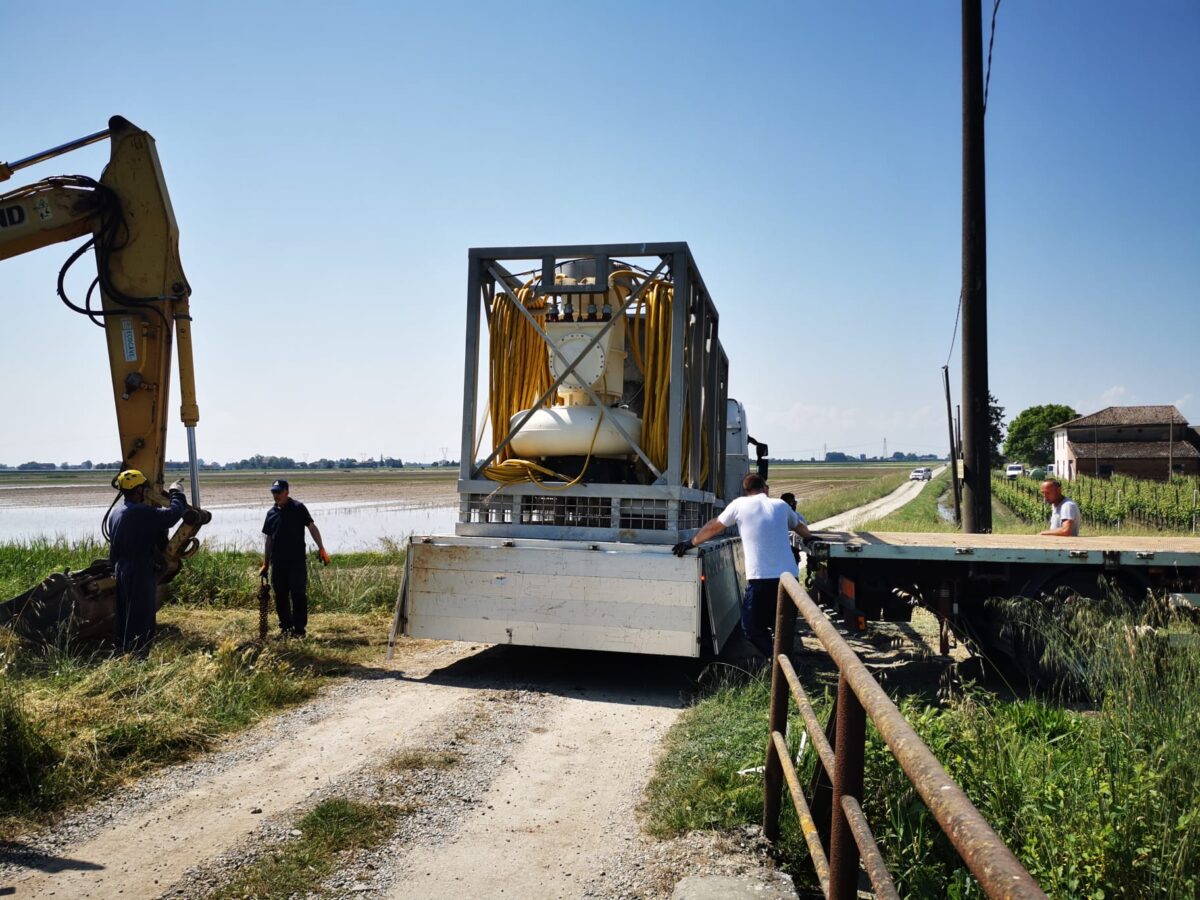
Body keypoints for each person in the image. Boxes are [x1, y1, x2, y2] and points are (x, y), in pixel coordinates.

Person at [673, 473, 813, 658]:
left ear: (746, 491)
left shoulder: (739, 504)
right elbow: (799, 526)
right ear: (765, 488)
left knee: (751, 628)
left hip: (761, 579)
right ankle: (785, 666)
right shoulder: (781, 505)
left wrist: (691, 543)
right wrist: (810, 538)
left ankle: (777, 662)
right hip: (789, 580)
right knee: (782, 628)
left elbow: (715, 526)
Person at [107, 469, 188, 657]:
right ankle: (137, 657)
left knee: (125, 612)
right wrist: (177, 492)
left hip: (122, 568)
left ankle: (120, 652)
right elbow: (173, 514)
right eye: (144, 488)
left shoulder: (116, 513)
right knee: (141, 615)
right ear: (140, 490)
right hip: (139, 568)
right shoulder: (141, 512)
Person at [260, 479, 329, 637]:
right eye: (273, 492)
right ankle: (286, 628)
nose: (275, 495)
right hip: (278, 563)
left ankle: (299, 630)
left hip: (296, 561)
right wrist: (266, 562)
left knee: (298, 594)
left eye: (278, 492)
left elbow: (311, 527)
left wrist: (321, 548)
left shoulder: (298, 508)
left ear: (287, 492)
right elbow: (269, 539)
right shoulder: (271, 513)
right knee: (281, 595)